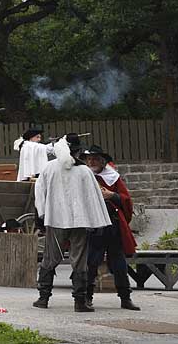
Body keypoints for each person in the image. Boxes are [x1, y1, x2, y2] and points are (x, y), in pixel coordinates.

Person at [33, 133, 112, 312]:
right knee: (79, 260)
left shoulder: (49, 168)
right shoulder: (84, 171)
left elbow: (40, 193)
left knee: (50, 258)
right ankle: (79, 302)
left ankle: (43, 298)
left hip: (56, 219)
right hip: (79, 220)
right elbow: (93, 198)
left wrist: (42, 214)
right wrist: (96, 221)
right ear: (77, 151)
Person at [84, 145, 140, 311]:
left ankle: (125, 298)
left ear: (102, 161)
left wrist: (112, 195)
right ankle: (86, 297)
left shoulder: (113, 178)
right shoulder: (85, 176)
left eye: (95, 159)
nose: (91, 162)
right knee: (91, 262)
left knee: (119, 263)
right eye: (89, 159)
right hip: (94, 225)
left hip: (113, 225)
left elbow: (126, 200)